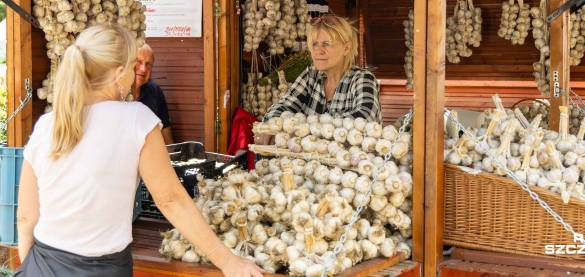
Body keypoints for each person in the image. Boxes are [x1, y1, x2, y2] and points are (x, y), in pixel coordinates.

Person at [16, 25, 264, 277]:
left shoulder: (47, 124)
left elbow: (26, 217)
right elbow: (170, 200)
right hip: (103, 270)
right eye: (134, 65)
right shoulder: (136, 119)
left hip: (40, 264)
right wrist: (227, 261)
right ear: (119, 73)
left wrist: (29, 267)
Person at [255, 15, 381, 145]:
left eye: (326, 44)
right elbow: (285, 105)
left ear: (346, 48)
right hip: (311, 163)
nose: (318, 51)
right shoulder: (311, 75)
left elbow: (364, 118)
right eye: (315, 44)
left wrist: (308, 128)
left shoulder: (363, 79)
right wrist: (271, 124)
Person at [132, 43, 174, 145]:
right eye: (139, 62)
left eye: (148, 64)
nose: (143, 69)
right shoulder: (114, 93)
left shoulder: (155, 92)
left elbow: (167, 141)